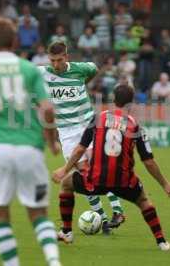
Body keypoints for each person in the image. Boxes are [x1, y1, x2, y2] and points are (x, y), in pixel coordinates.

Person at [0, 17, 62, 266]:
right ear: (15, 40)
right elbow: (48, 110)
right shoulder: (28, 69)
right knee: (39, 214)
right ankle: (53, 261)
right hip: (30, 150)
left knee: (1, 216)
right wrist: (51, 141)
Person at [53, 84, 170, 251]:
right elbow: (148, 161)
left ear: (113, 100)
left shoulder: (98, 119)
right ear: (131, 103)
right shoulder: (136, 126)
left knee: (66, 184)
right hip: (124, 181)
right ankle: (162, 242)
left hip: (95, 179)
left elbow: (81, 148)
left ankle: (67, 231)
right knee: (144, 201)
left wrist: (64, 169)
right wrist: (165, 184)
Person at [39, 41, 126, 242]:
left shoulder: (81, 69)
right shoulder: (42, 73)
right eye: (52, 60)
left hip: (89, 126)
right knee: (83, 176)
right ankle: (104, 219)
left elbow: (94, 69)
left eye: (60, 60)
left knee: (101, 168)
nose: (56, 64)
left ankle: (117, 210)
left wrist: (83, 83)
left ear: (66, 57)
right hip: (67, 132)